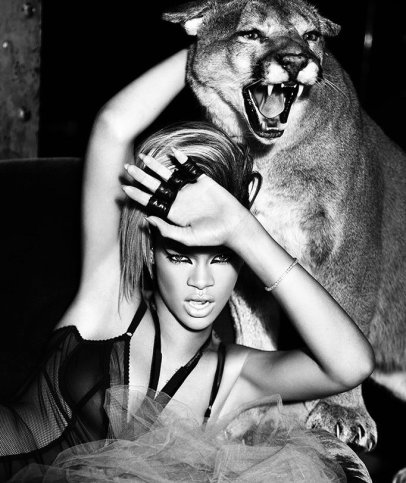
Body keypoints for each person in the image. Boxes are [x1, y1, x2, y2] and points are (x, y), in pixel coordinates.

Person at [0, 50, 374, 482]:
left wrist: (242, 229)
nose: (201, 281)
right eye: (179, 256)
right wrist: (216, 43)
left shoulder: (234, 378)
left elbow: (350, 364)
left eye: (221, 257)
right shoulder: (109, 301)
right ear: (151, 254)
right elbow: (113, 126)